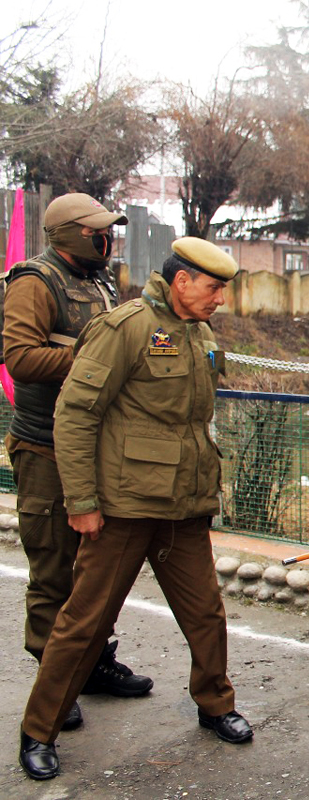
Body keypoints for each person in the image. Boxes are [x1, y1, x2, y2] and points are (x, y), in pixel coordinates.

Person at [18, 237, 254, 782]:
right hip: (124, 508)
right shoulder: (124, 328)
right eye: (214, 286)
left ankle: (215, 704)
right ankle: (39, 729)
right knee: (83, 623)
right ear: (181, 281)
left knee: (205, 616)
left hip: (184, 507)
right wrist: (81, 501)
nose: (220, 298)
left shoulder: (199, 333)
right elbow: (75, 415)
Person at [3, 193, 154, 733]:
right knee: (53, 572)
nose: (106, 239)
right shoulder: (34, 282)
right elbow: (18, 357)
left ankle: (92, 664)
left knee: (97, 571)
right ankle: (55, 682)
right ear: (69, 234)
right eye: (97, 232)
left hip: (99, 448)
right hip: (45, 447)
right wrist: (97, 358)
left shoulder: (100, 280)